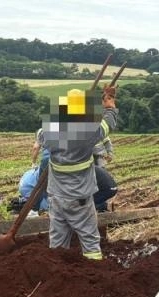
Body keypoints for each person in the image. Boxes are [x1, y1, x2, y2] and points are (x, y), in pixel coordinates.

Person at [40, 86, 118, 259]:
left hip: (56, 197)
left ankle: (56, 270)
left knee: (57, 243)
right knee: (90, 240)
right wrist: (110, 105)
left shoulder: (49, 131)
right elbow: (107, 124)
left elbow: (42, 134)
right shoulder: (87, 133)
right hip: (80, 197)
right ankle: (94, 265)